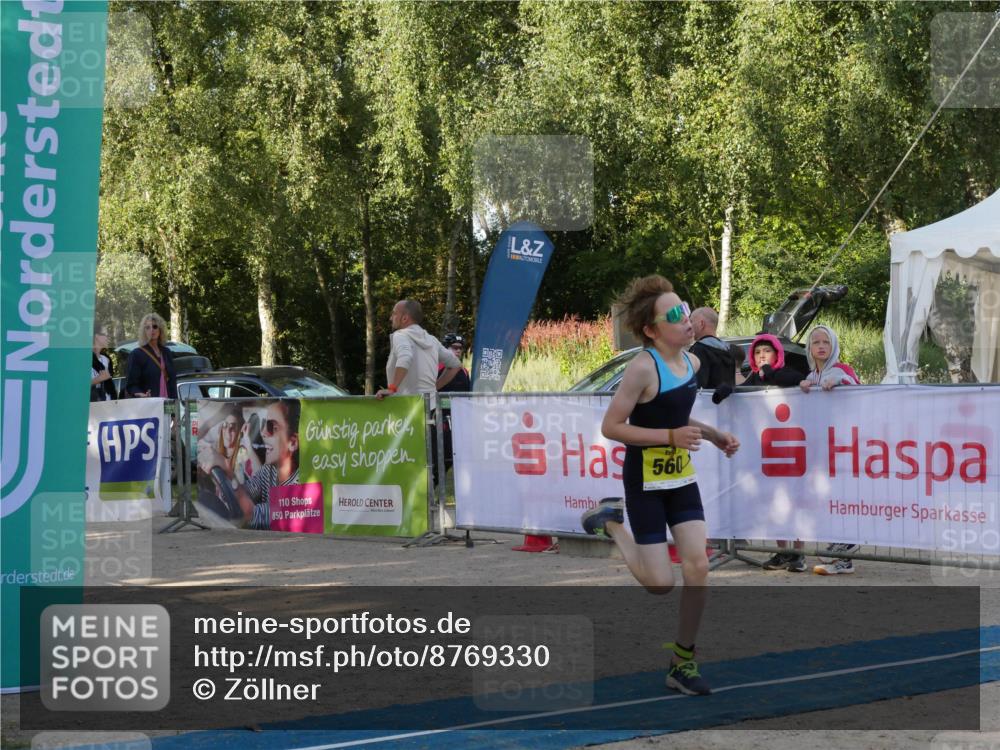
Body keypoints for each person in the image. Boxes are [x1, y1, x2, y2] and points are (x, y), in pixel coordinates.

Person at [581, 275, 740, 696]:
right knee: (659, 583)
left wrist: (712, 435)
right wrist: (670, 437)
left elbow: (676, 415)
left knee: (698, 566)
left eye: (685, 309)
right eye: (674, 315)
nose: (686, 319)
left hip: (680, 478)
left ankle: (682, 662)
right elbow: (612, 426)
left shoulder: (693, 363)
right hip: (645, 481)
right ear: (652, 331)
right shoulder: (641, 368)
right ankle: (612, 523)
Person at [741, 333, 810, 572]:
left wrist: (769, 372)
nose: (762, 356)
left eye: (767, 351)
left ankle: (799, 553)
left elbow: (795, 379)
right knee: (774, 502)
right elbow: (740, 391)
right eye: (758, 352)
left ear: (777, 354)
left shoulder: (786, 372)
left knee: (795, 502)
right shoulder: (754, 377)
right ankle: (783, 551)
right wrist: (725, 390)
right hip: (767, 451)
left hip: (792, 447)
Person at [800, 324, 862, 575]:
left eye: (826, 342)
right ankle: (841, 557)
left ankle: (845, 550)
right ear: (809, 348)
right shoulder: (812, 375)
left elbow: (858, 388)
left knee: (844, 495)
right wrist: (803, 386)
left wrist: (840, 381)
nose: (821, 346)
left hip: (845, 444)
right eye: (816, 342)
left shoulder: (842, 370)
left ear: (833, 345)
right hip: (822, 449)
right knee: (828, 498)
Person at [201, 399, 300, 530]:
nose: (263, 432)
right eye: (264, 425)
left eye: (272, 427)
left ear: (292, 443)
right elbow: (245, 492)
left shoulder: (300, 487)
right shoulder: (269, 471)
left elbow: (252, 516)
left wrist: (228, 471)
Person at [376, 300, 462, 400]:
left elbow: (405, 357)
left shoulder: (400, 335)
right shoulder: (432, 340)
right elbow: (456, 364)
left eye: (394, 313)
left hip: (408, 405)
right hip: (431, 404)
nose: (391, 318)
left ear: (404, 318)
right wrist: (434, 388)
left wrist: (392, 389)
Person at [124, 313, 177, 398]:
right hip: (149, 403)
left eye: (155, 326)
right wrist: (140, 394)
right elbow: (131, 385)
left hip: (169, 403)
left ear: (160, 329)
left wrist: (175, 402)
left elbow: (172, 382)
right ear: (144, 332)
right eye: (147, 327)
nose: (152, 330)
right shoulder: (137, 354)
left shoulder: (167, 352)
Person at [688, 307, 736, 390]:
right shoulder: (729, 350)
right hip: (725, 398)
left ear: (701, 324)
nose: (689, 326)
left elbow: (697, 387)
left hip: (706, 398)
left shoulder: (699, 349)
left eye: (691, 321)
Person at [90, 323, 118, 401]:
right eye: (106, 334)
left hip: (107, 404)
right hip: (90, 405)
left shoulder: (106, 359)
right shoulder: (83, 359)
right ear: (96, 336)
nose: (108, 337)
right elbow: (76, 386)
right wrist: (98, 379)